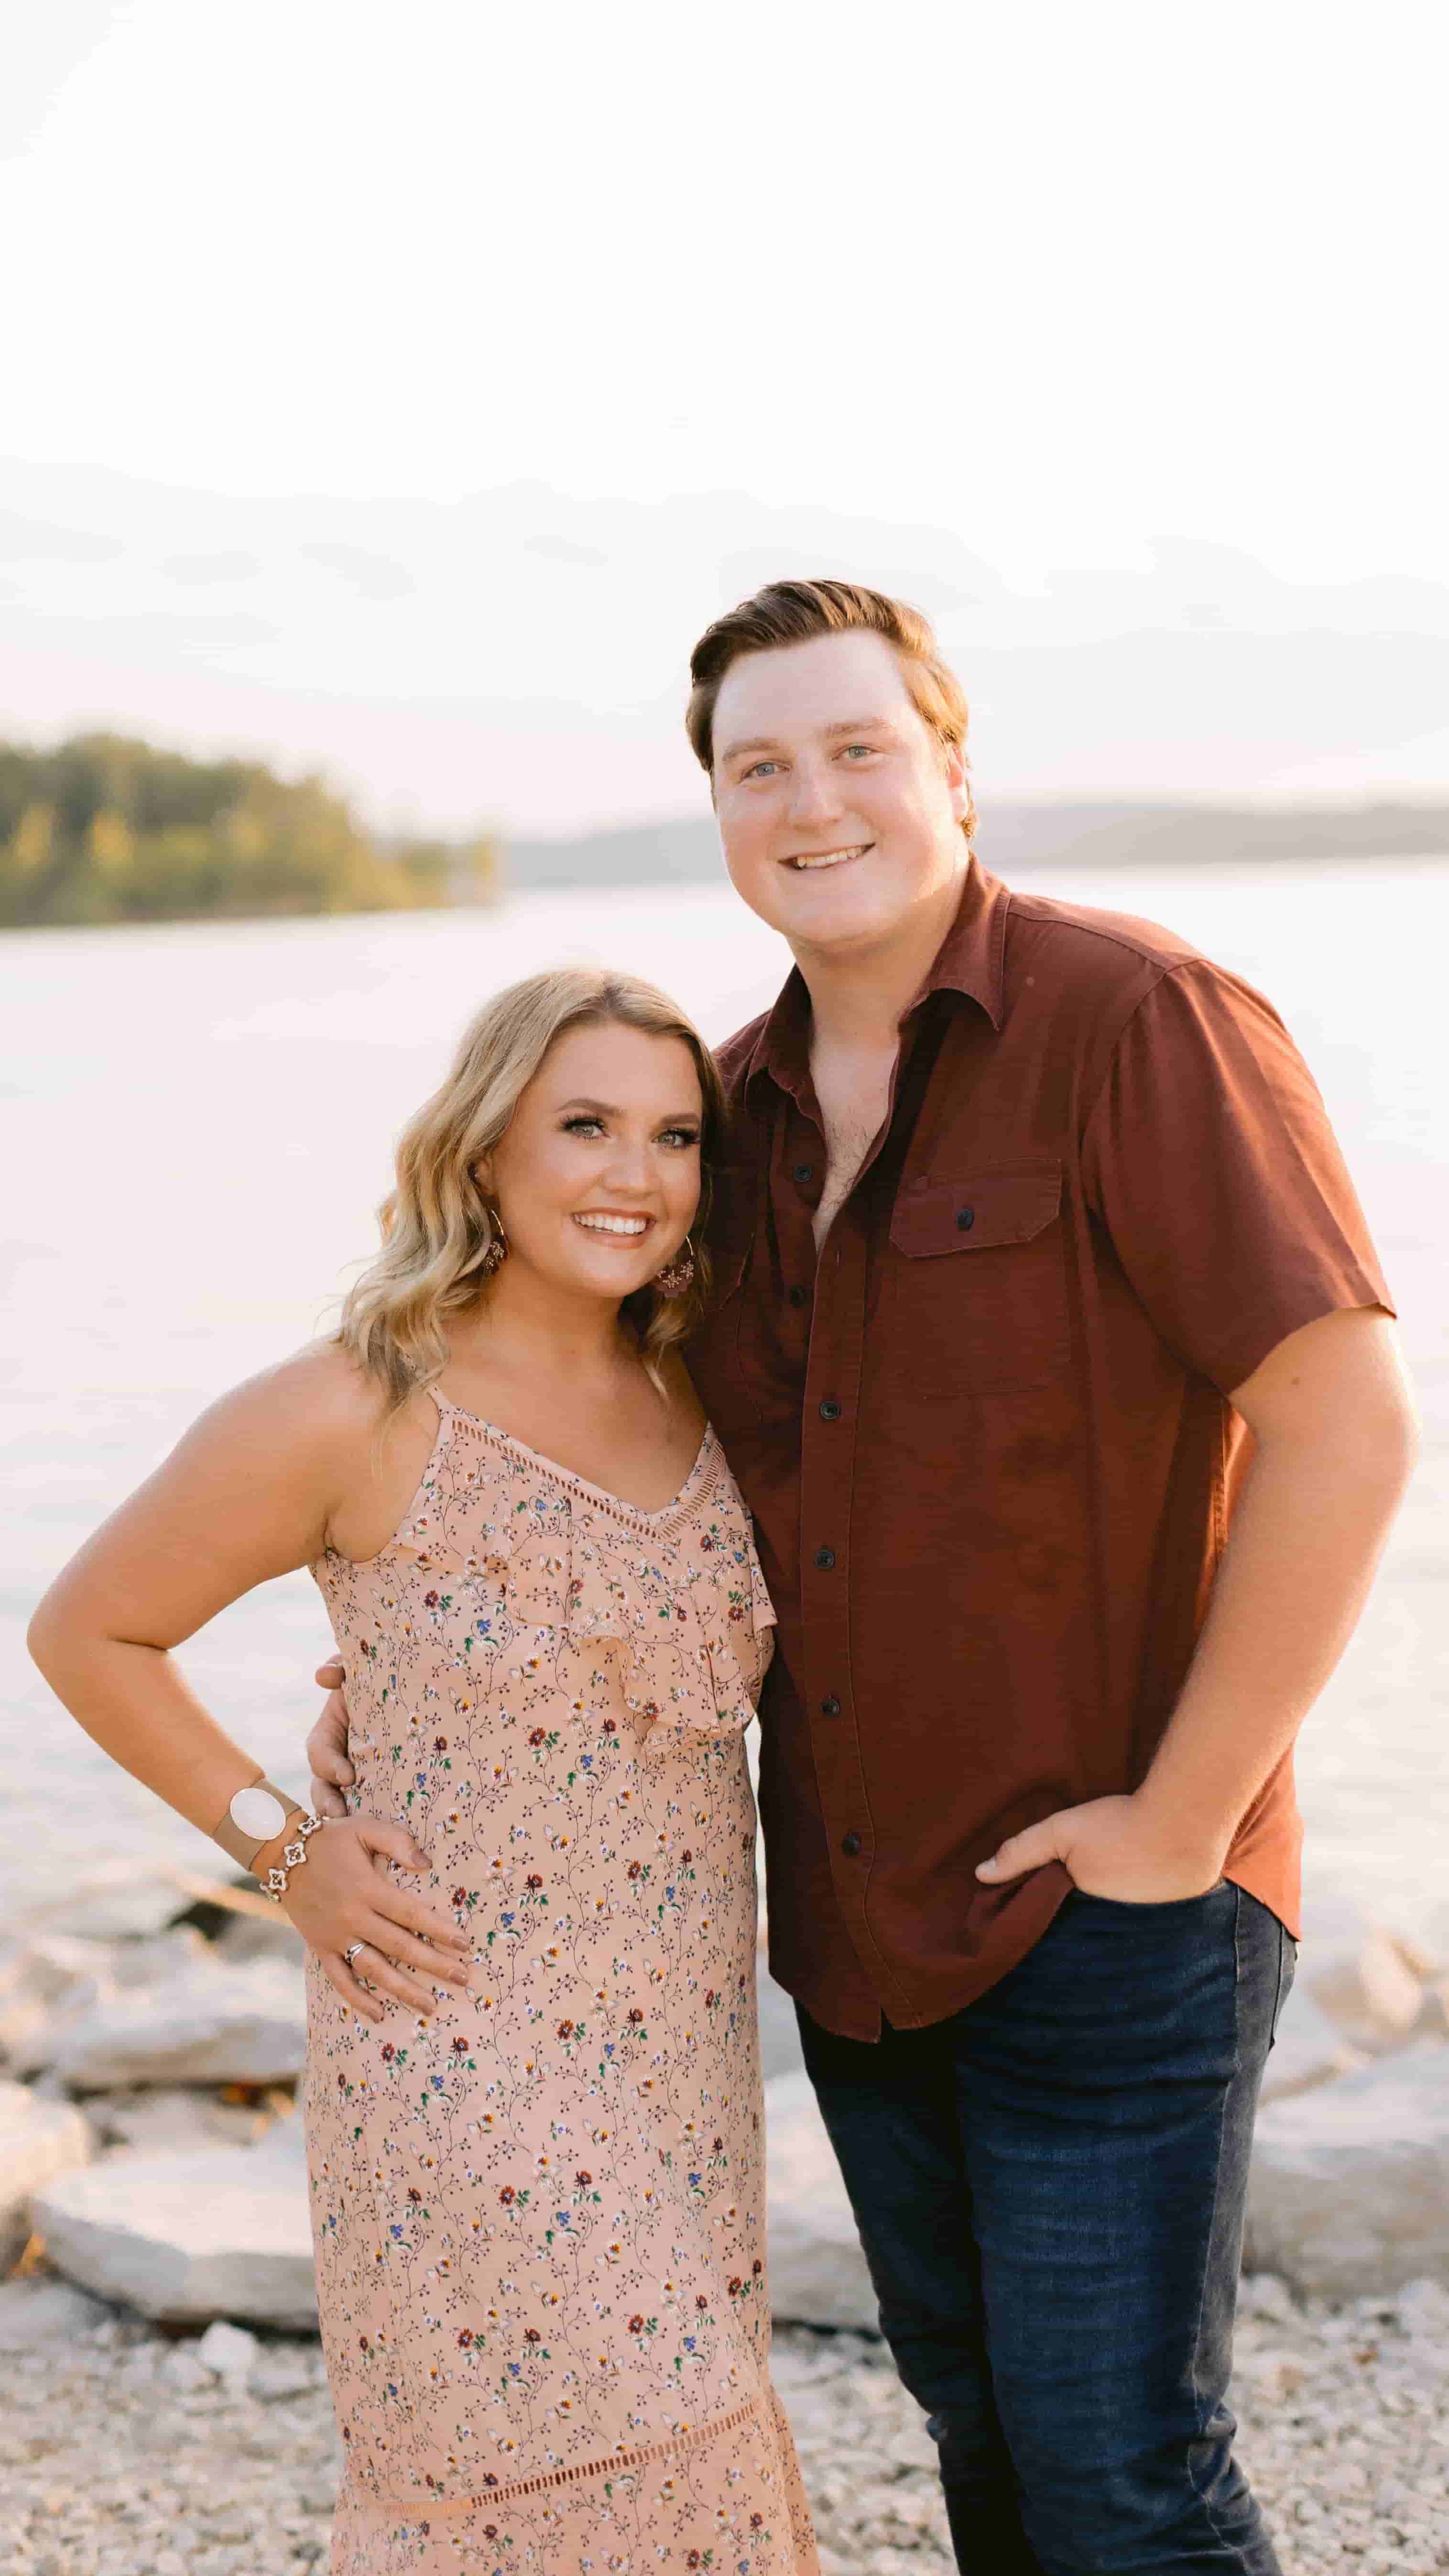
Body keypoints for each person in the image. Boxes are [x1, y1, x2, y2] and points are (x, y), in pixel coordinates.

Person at [302, 579, 1417, 2576]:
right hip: (858, 1930)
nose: (811, 803)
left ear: (953, 773)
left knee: (1126, 2485)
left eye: (855, 750)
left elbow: (1347, 1426)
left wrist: (1178, 1820)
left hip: (1112, 1910)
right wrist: (413, 1662)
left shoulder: (1138, 1022)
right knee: (979, 2441)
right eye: (759, 768)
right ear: (719, 812)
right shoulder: (717, 1121)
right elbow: (635, 1466)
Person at [29, 967, 820, 2576]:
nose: (636, 1174)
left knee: (692, 2466)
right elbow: (90, 1630)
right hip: (454, 2047)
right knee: (602, 2460)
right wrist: (284, 1851)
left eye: (676, 1136)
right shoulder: (359, 1402)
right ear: (485, 1148)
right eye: (584, 1125)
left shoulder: (699, 1382)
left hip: (678, 2063)